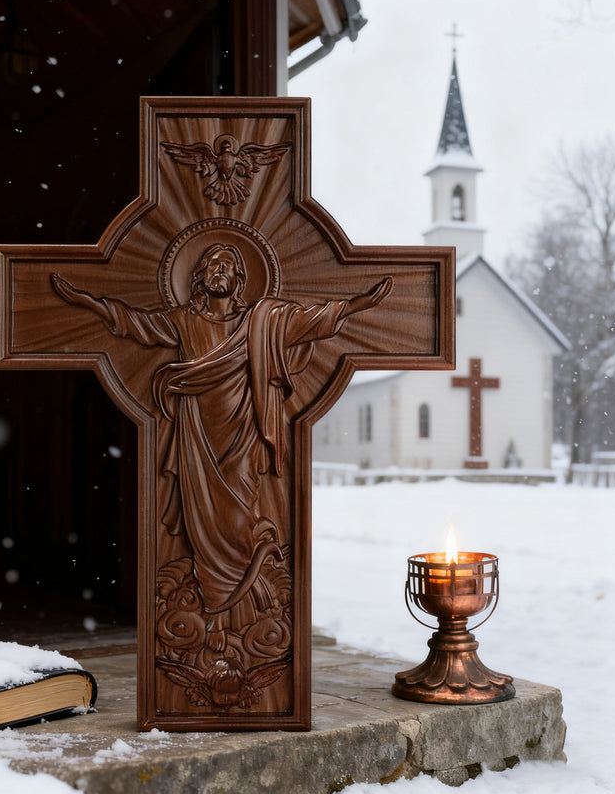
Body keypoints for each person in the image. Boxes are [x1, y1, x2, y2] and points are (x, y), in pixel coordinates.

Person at [52, 243, 392, 651]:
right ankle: (215, 612)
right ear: (198, 277)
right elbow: (136, 324)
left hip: (243, 438)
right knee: (203, 526)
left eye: (227, 264)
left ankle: (241, 608)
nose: (218, 269)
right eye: (211, 263)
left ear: (239, 280)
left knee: (239, 521)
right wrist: (86, 301)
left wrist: (359, 303)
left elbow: (311, 322)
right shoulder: (184, 320)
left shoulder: (261, 322)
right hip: (198, 440)